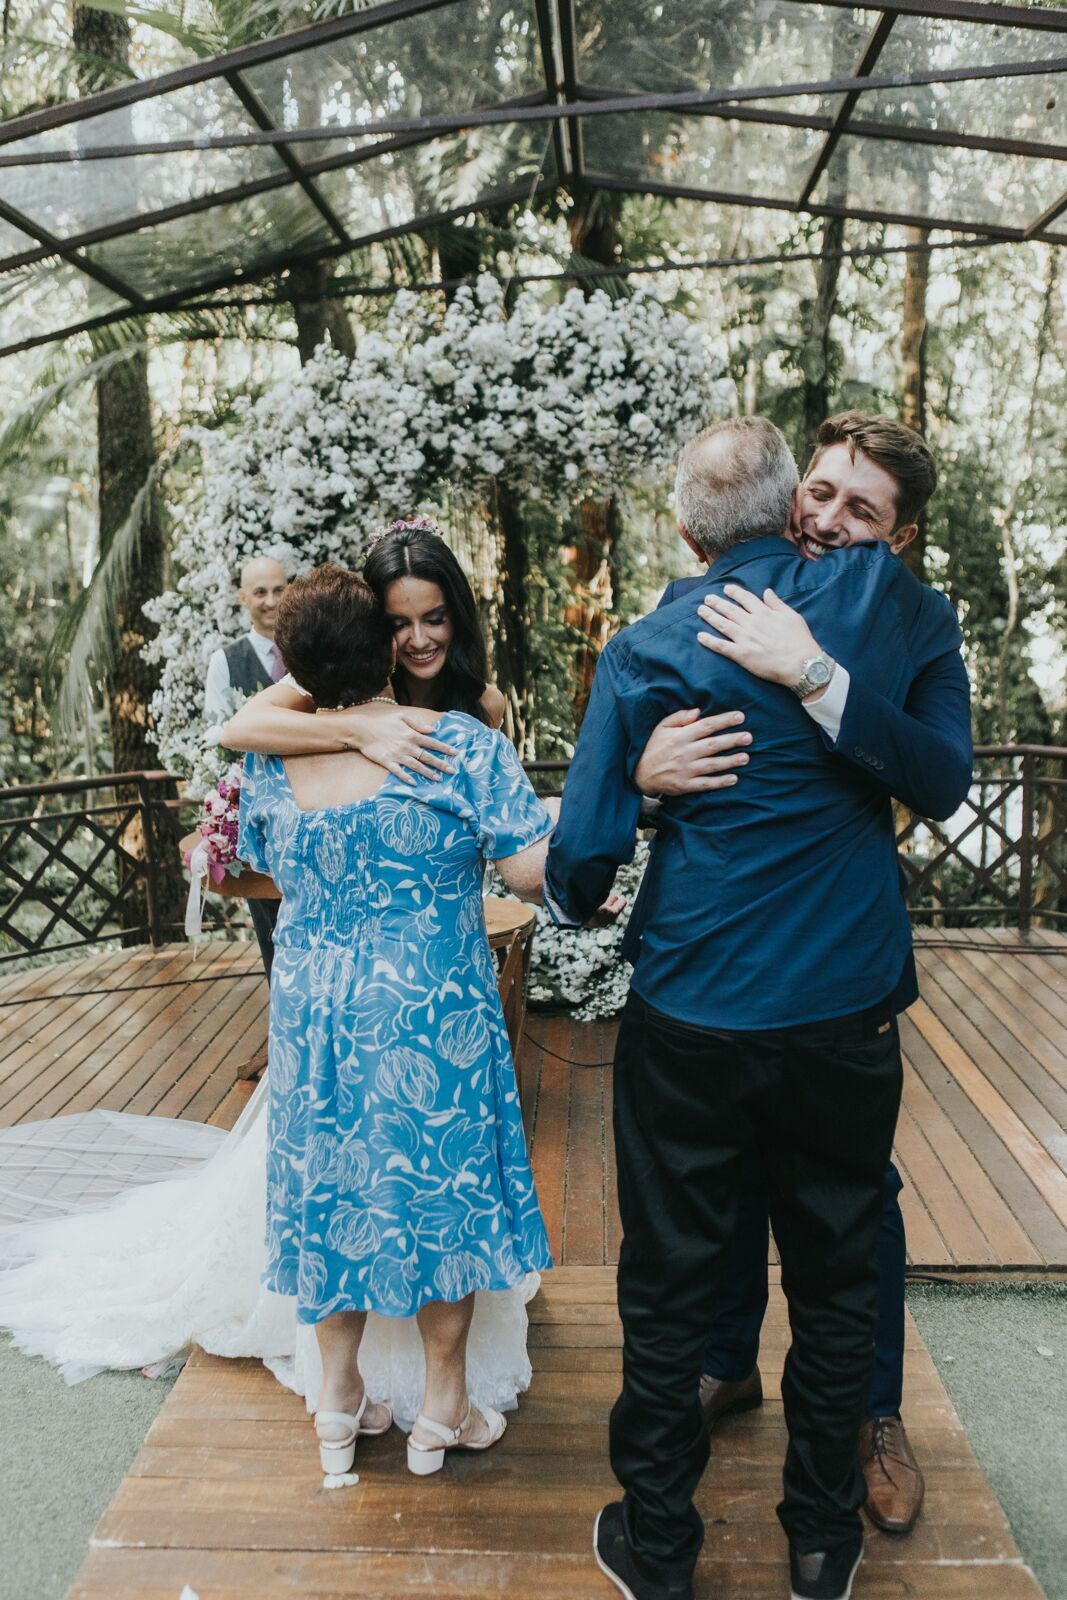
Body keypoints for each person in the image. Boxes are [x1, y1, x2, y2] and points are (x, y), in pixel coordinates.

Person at [544, 416, 972, 1600]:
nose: (834, 522)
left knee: (668, 1274)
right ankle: (820, 1542)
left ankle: (661, 1548)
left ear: (683, 528)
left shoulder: (648, 645)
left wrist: (627, 796)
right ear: (792, 504)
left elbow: (577, 873)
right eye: (821, 496)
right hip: (841, 1014)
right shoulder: (899, 610)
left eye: (859, 508)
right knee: (834, 1273)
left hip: (693, 1008)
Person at [236, 564, 567, 1474]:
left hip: (314, 1014)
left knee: (331, 1194)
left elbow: (254, 861)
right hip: (430, 1006)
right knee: (443, 1197)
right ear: (386, 645)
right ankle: (442, 1409)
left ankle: (339, 1406)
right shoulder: (459, 745)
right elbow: (529, 873)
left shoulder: (270, 760)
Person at [203, 555, 290, 976]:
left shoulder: (309, 650)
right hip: (257, 814)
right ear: (243, 598)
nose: (271, 601)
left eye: (278, 589)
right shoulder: (226, 662)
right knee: (270, 928)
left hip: (314, 805)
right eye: (260, 592)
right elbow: (215, 737)